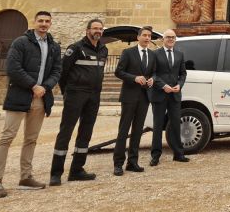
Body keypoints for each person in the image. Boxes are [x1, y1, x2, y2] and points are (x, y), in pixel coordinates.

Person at [0, 11, 62, 199]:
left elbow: (56, 70)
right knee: (7, 137)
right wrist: (33, 85)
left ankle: (26, 177)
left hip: (41, 97)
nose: (44, 24)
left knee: (31, 139)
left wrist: (45, 87)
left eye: (47, 21)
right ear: (34, 22)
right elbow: (13, 68)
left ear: (50, 24)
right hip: (20, 95)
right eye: (40, 21)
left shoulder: (54, 46)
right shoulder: (21, 42)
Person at [49, 18, 108, 186]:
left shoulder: (103, 49)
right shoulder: (75, 48)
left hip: (94, 96)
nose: (98, 31)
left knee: (86, 133)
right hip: (75, 94)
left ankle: (77, 170)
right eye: (95, 28)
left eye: (100, 29)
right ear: (87, 30)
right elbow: (63, 72)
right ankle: (56, 173)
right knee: (65, 132)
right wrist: (68, 92)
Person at [113, 26, 156, 176]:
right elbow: (118, 71)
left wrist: (152, 80)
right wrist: (134, 78)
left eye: (149, 36)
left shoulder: (152, 55)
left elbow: (155, 73)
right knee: (123, 131)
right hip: (129, 96)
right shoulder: (128, 52)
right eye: (144, 35)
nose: (147, 38)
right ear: (138, 37)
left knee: (137, 131)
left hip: (144, 98)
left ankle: (132, 162)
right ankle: (118, 164)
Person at [149, 29, 189, 165]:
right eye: (168, 37)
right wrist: (162, 85)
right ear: (163, 39)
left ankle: (178, 154)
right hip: (159, 94)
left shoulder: (179, 54)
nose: (171, 39)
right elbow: (152, 74)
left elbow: (183, 74)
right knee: (158, 125)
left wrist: (180, 85)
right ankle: (155, 156)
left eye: (173, 37)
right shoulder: (155, 54)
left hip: (175, 95)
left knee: (176, 125)